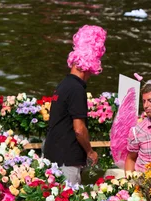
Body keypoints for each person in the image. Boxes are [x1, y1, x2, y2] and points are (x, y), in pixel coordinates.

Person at [43, 25, 107, 185]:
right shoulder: (77, 89)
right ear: (90, 66)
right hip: (67, 160)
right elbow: (79, 129)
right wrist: (90, 152)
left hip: (52, 154)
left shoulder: (63, 85)